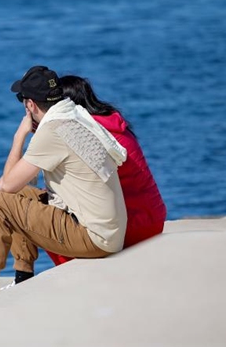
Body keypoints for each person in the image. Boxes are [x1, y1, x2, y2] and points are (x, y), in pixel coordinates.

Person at [0, 65, 128, 318]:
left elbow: (8, 185)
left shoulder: (53, 131)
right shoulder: (73, 116)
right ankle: (23, 279)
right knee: (21, 196)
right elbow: (20, 182)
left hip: (95, 238)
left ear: (30, 106)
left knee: (3, 203)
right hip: (108, 231)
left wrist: (20, 136)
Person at [45, 76, 166, 266]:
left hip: (132, 228)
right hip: (154, 220)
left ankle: (69, 267)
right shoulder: (113, 122)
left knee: (43, 211)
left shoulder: (87, 133)